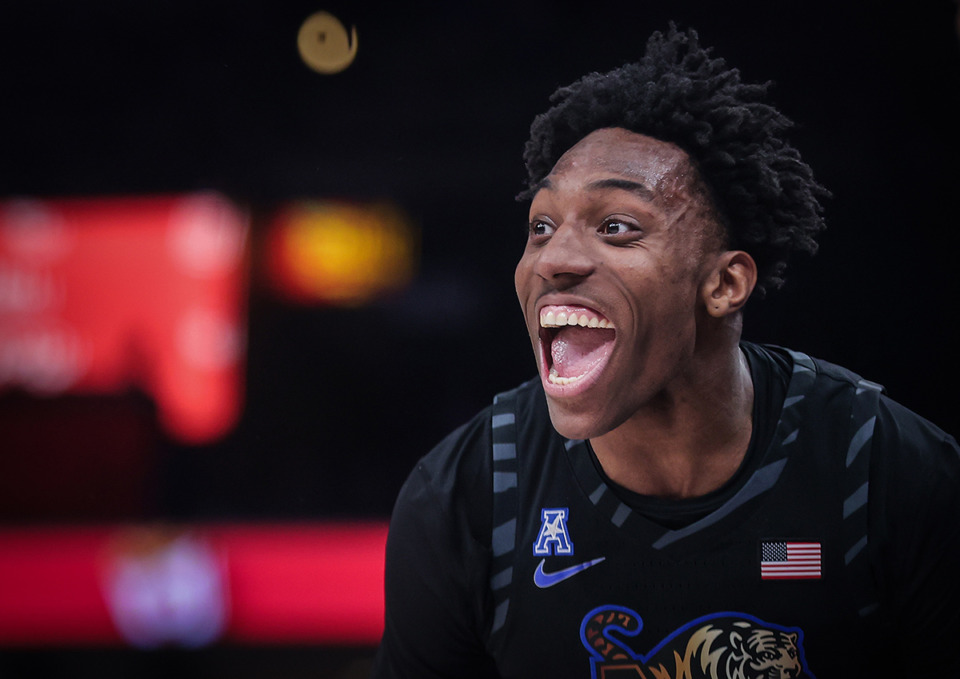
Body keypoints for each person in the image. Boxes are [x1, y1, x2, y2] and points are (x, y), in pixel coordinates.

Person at [371, 25, 960, 678]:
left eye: (616, 226)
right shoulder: (466, 496)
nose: (555, 259)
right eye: (542, 226)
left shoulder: (887, 471)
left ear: (724, 283)